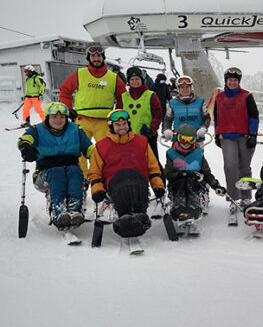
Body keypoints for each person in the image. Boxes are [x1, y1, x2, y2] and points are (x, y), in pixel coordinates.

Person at [88, 109, 165, 238]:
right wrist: (97, 190)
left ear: (129, 124)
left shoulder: (142, 142)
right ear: (111, 126)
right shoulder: (101, 146)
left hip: (139, 185)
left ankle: (138, 216)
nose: (122, 127)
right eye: (118, 125)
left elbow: (153, 167)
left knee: (135, 187)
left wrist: (158, 185)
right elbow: (95, 173)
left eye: (124, 124)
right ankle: (125, 217)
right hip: (115, 187)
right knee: (123, 187)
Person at [17, 102, 94, 229]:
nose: (58, 120)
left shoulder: (75, 130)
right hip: (45, 173)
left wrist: (101, 158)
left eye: (62, 117)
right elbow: (25, 139)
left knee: (75, 172)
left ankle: (75, 209)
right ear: (47, 117)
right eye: (54, 117)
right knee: (57, 172)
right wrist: (25, 146)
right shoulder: (37, 130)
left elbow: (89, 149)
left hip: (71, 169)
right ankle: (59, 210)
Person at [59, 45, 127, 175]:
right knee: (79, 151)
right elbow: (65, 90)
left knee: (106, 152)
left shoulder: (113, 77)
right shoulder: (79, 74)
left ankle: (104, 179)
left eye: (99, 56)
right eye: (93, 56)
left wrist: (118, 115)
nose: (96, 58)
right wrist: (68, 108)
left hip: (104, 121)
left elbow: (122, 97)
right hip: (82, 119)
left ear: (103, 57)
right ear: (89, 58)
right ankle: (82, 180)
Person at [164, 124, 227, 235]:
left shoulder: (198, 153)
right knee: (181, 185)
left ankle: (194, 207)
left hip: (196, 182)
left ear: (194, 141)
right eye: (183, 139)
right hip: (177, 183)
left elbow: (206, 173)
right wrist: (179, 174)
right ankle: (179, 207)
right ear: (177, 138)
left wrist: (216, 185)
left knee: (190, 183)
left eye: (189, 140)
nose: (186, 143)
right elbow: (168, 173)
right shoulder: (171, 154)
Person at [213, 67, 259, 219]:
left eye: (235, 80)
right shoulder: (219, 98)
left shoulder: (246, 96)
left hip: (244, 136)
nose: (232, 82)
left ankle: (246, 197)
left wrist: (253, 135)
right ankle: (234, 198)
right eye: (230, 80)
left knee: (244, 168)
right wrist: (217, 134)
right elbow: (216, 117)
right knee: (230, 166)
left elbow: (254, 116)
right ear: (226, 81)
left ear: (238, 82)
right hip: (227, 136)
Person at [121, 67, 163, 163]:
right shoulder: (124, 97)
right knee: (131, 163)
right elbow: (118, 115)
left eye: (137, 79)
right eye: (132, 79)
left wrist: (152, 130)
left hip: (147, 136)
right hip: (128, 136)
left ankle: (158, 178)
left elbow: (158, 114)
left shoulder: (150, 95)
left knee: (153, 163)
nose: (134, 81)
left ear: (142, 80)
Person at [162, 75, 211, 142]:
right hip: (179, 139)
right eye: (182, 87)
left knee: (197, 152)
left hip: (196, 138)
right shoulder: (172, 103)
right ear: (178, 89)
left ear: (191, 88)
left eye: (187, 87)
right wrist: (167, 129)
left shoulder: (200, 102)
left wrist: (203, 128)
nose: (185, 90)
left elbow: (207, 118)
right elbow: (168, 119)